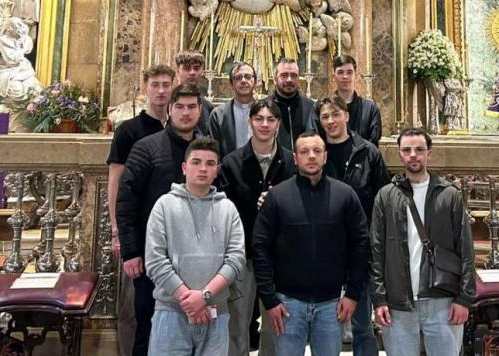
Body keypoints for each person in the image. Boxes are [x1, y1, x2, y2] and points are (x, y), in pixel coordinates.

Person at [253, 132, 369, 356]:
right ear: (295, 158)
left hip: (331, 304)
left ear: (325, 156)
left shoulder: (345, 195)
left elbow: (361, 245)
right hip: (287, 303)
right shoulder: (277, 196)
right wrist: (269, 300)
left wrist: (353, 294)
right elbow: (260, 248)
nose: (312, 156)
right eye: (305, 151)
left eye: (317, 151)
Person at [370, 127, 476, 356]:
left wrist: (464, 299)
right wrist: (379, 299)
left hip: (442, 299)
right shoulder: (386, 196)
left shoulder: (448, 194)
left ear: (429, 153)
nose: (413, 155)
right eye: (407, 150)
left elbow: (465, 249)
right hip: (399, 302)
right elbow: (376, 251)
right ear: (400, 154)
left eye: (419, 149)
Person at [117, 83, 202, 356]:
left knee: (194, 326)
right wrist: (131, 251)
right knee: (149, 324)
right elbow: (127, 201)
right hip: (153, 257)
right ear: (170, 110)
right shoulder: (146, 148)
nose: (186, 113)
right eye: (180, 107)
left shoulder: (207, 150)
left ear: (200, 111)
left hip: (197, 257)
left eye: (192, 107)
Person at [145, 137, 246, 356]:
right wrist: (188, 299)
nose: (203, 169)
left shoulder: (228, 209)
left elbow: (236, 259)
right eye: (196, 162)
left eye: (210, 164)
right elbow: (155, 261)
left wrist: (204, 296)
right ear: (184, 167)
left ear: (217, 170)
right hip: (171, 312)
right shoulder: (164, 205)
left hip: (216, 313)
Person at [217, 99, 296, 356]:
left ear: (278, 124)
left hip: (279, 257)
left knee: (276, 324)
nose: (264, 124)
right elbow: (223, 211)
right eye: (259, 119)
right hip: (242, 255)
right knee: (237, 324)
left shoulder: (291, 162)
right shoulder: (232, 163)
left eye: (270, 119)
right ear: (249, 122)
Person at [107, 65, 174, 355]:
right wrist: (117, 232)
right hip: (137, 230)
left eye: (166, 85)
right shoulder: (128, 131)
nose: (161, 91)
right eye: (155, 85)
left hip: (171, 234)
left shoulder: (179, 129)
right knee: (134, 307)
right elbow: (116, 183)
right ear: (145, 88)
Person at [314, 95, 389, 356]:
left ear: (346, 115)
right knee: (326, 325)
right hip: (324, 249)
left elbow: (383, 199)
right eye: (325, 116)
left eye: (335, 114)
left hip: (360, 247)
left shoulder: (368, 152)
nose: (330, 121)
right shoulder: (314, 153)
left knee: (362, 324)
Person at [331, 55, 382, 146]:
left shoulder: (370, 109)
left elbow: (373, 144)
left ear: (356, 76)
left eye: (349, 72)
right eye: (340, 72)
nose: (345, 76)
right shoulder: (324, 108)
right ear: (333, 77)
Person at [209, 62, 257, 158]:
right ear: (231, 83)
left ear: (255, 82)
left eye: (248, 77)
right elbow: (213, 149)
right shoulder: (218, 115)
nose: (243, 81)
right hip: (228, 165)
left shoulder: (266, 112)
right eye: (238, 78)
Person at [270, 58, 315, 152]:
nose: (289, 80)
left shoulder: (311, 107)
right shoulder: (265, 107)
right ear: (275, 79)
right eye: (284, 75)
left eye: (294, 75)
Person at [176, 50, 214, 135]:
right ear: (178, 71)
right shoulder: (168, 102)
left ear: (202, 71)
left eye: (196, 68)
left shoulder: (207, 106)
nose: (192, 72)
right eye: (187, 68)